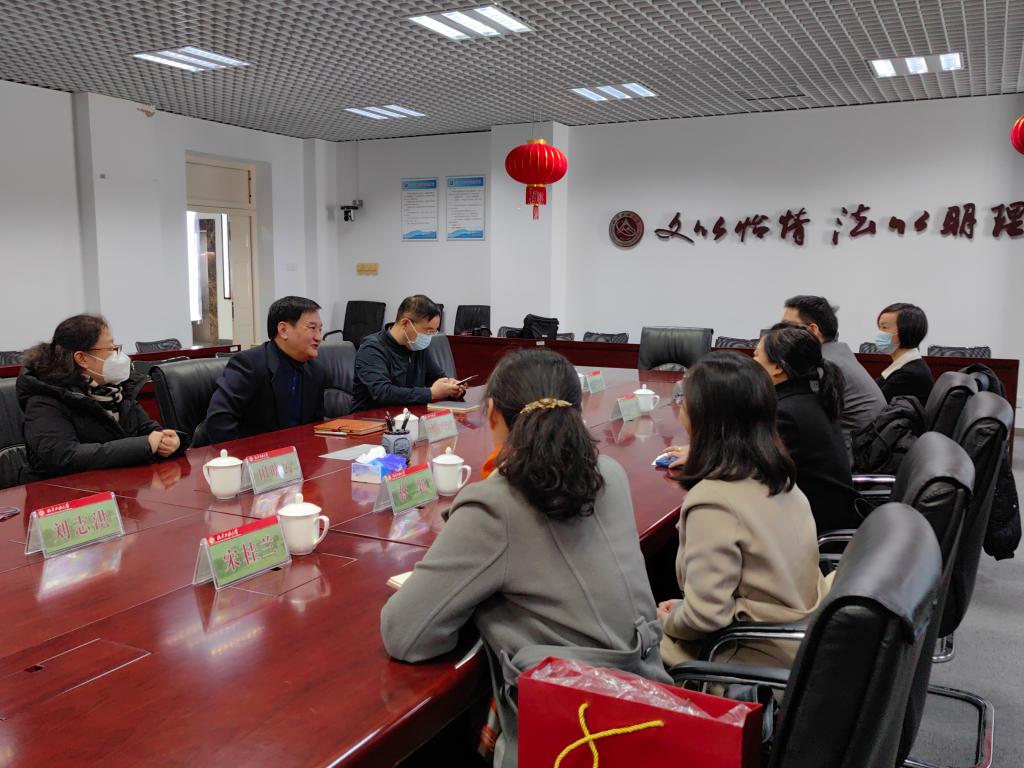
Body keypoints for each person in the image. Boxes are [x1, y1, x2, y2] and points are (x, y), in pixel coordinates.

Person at [380, 349, 669, 767]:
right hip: (650, 706)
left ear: (492, 413)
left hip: (575, 735)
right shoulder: (610, 472)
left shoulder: (496, 503)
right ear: (578, 410)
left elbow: (405, 634)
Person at [658, 352, 828, 669]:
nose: (681, 408)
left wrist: (671, 619)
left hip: (748, 654)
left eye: (684, 402)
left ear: (704, 417)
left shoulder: (713, 502)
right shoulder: (778, 474)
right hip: (798, 634)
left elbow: (705, 618)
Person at [17, 314, 182, 482]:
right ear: (82, 358)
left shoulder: (116, 391)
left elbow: (148, 429)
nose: (119, 356)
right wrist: (144, 445)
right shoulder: (44, 400)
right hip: (62, 492)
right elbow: (67, 456)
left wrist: (170, 440)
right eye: (111, 349)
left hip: (117, 485)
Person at [756, 323, 859, 533]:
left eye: (756, 356)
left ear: (778, 368)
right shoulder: (810, 399)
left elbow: (757, 472)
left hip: (814, 526)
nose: (752, 363)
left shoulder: (786, 413)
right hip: (824, 514)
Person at [204, 296, 327, 443]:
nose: (319, 337)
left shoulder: (316, 371)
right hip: (255, 454)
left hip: (299, 454)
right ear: (283, 330)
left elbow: (315, 427)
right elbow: (219, 421)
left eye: (320, 329)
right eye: (312, 328)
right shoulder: (248, 365)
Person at [782, 295, 884, 446]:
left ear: (813, 330)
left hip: (854, 451)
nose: (779, 333)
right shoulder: (838, 353)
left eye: (786, 327)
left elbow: (798, 416)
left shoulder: (824, 365)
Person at [351, 295, 464, 412]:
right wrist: (430, 393)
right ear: (405, 323)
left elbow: (436, 377)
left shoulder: (417, 346)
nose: (429, 336)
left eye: (434, 331)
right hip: (369, 419)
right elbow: (383, 393)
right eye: (428, 330)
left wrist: (451, 387)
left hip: (408, 416)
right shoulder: (371, 349)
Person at [874, 302, 934, 405]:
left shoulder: (908, 375)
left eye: (884, 327)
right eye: (879, 327)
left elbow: (873, 405)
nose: (880, 333)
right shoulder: (904, 366)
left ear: (905, 331)